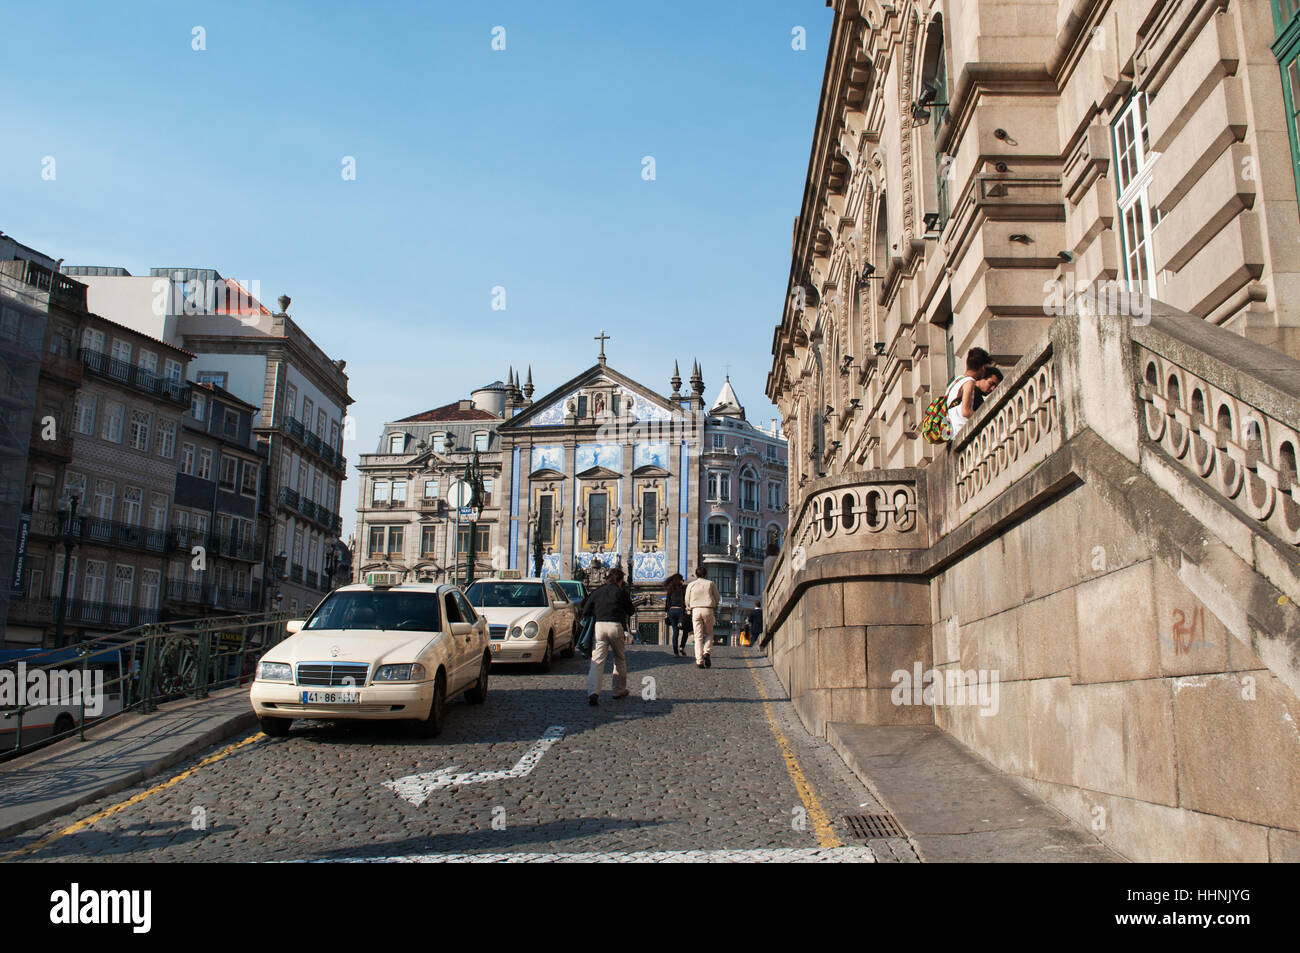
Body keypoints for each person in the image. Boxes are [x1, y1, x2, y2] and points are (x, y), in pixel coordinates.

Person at [580, 567, 636, 705]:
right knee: (619, 658)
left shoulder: (597, 592)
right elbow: (631, 610)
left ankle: (593, 692)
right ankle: (618, 690)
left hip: (599, 626)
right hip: (615, 626)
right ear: (620, 581)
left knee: (597, 660)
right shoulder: (620, 592)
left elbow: (585, 608)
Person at [945, 347, 991, 438]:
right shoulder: (969, 382)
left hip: (951, 434)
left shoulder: (954, 383)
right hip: (961, 433)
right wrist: (984, 418)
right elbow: (966, 412)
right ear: (983, 367)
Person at [684, 565, 720, 669]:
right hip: (708, 609)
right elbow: (717, 597)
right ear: (705, 574)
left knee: (698, 636)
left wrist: (688, 607)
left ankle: (699, 660)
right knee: (709, 633)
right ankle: (706, 652)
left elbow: (687, 598)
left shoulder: (691, 585)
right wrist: (715, 604)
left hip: (695, 610)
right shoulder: (710, 584)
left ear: (696, 574)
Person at [664, 573, 687, 656]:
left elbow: (667, 602)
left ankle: (675, 652)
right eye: (682, 580)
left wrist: (667, 613)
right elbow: (685, 601)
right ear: (680, 580)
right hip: (680, 611)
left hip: (671, 611)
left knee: (675, 632)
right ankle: (681, 646)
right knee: (685, 630)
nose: (683, 581)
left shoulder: (670, 589)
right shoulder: (683, 589)